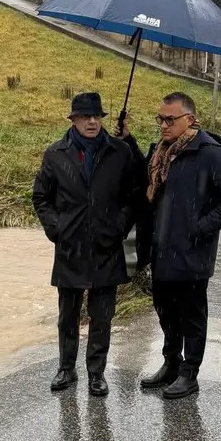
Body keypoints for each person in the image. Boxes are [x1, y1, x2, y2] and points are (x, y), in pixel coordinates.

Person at [132, 91, 221, 399]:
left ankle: (189, 373)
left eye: (170, 120)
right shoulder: (159, 152)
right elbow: (145, 187)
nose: (163, 125)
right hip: (161, 249)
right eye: (160, 119)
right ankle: (171, 362)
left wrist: (198, 229)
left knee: (192, 314)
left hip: (192, 252)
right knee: (165, 309)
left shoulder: (209, 154)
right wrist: (127, 140)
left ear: (190, 119)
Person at [32, 90, 142, 397]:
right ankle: (66, 368)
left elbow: (136, 193)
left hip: (107, 246)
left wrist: (119, 225)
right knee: (67, 315)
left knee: (102, 315)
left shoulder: (119, 152)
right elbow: (41, 196)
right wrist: (56, 228)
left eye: (96, 116)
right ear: (73, 120)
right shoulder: (56, 154)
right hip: (70, 247)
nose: (92, 122)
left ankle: (97, 373)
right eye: (85, 117)